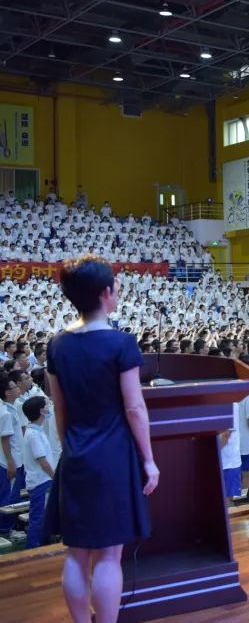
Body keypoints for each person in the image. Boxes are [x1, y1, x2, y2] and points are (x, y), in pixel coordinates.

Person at [44, 255, 159, 623]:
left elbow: (59, 408)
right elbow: (135, 409)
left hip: (76, 454)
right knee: (109, 554)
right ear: (106, 293)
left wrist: (70, 447)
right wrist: (149, 460)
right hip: (112, 457)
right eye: (116, 286)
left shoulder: (57, 345)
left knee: (76, 553)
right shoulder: (121, 343)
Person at [22, 396, 55, 548]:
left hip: (43, 480)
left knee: (43, 517)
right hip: (40, 482)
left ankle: (41, 545)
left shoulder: (37, 431)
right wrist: (55, 478)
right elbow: (43, 462)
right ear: (42, 411)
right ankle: (33, 549)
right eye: (47, 405)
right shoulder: (33, 434)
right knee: (38, 518)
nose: (49, 408)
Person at [0, 376, 24, 542]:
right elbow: (5, 441)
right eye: (14, 387)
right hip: (10, 461)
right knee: (9, 497)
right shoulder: (5, 413)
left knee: (12, 495)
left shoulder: (12, 407)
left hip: (16, 459)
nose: (18, 388)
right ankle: (5, 529)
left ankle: (9, 526)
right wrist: (10, 463)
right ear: (7, 392)